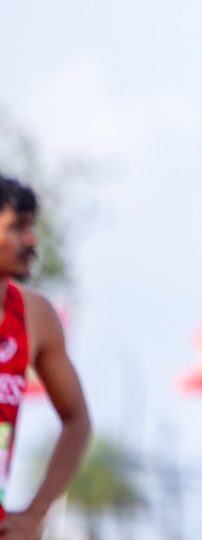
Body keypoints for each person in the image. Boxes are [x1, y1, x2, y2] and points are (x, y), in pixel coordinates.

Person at [0, 176, 91, 540]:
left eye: (32, 226)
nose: (32, 240)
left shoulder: (34, 315)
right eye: (17, 227)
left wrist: (34, 515)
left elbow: (77, 419)